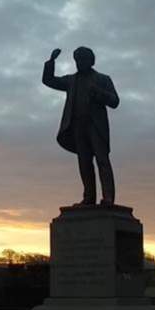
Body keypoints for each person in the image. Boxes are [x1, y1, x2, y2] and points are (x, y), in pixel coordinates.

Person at [42, 47, 120, 205]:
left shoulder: (103, 79)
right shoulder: (71, 80)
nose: (80, 63)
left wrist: (99, 93)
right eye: (77, 60)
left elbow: (114, 101)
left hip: (96, 126)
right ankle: (88, 198)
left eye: (83, 60)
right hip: (78, 126)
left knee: (102, 160)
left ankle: (108, 198)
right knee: (84, 163)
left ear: (91, 61)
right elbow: (49, 80)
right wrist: (51, 62)